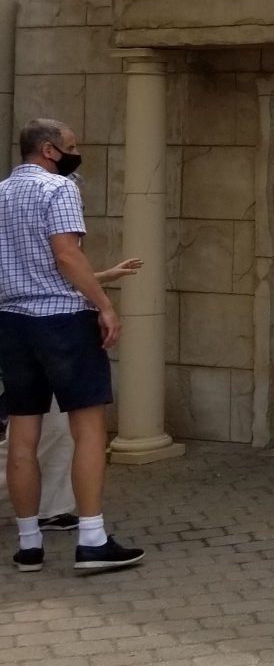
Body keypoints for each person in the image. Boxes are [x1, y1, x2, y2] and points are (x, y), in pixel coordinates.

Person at [0, 119, 147, 573]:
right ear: (49, 150)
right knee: (89, 429)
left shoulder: (2, 192)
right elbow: (65, 255)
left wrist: (101, 275)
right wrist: (104, 304)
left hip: (12, 322)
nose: (75, 152)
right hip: (63, 322)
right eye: (71, 146)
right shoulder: (58, 188)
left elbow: (34, 266)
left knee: (22, 434)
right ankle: (92, 538)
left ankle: (28, 545)